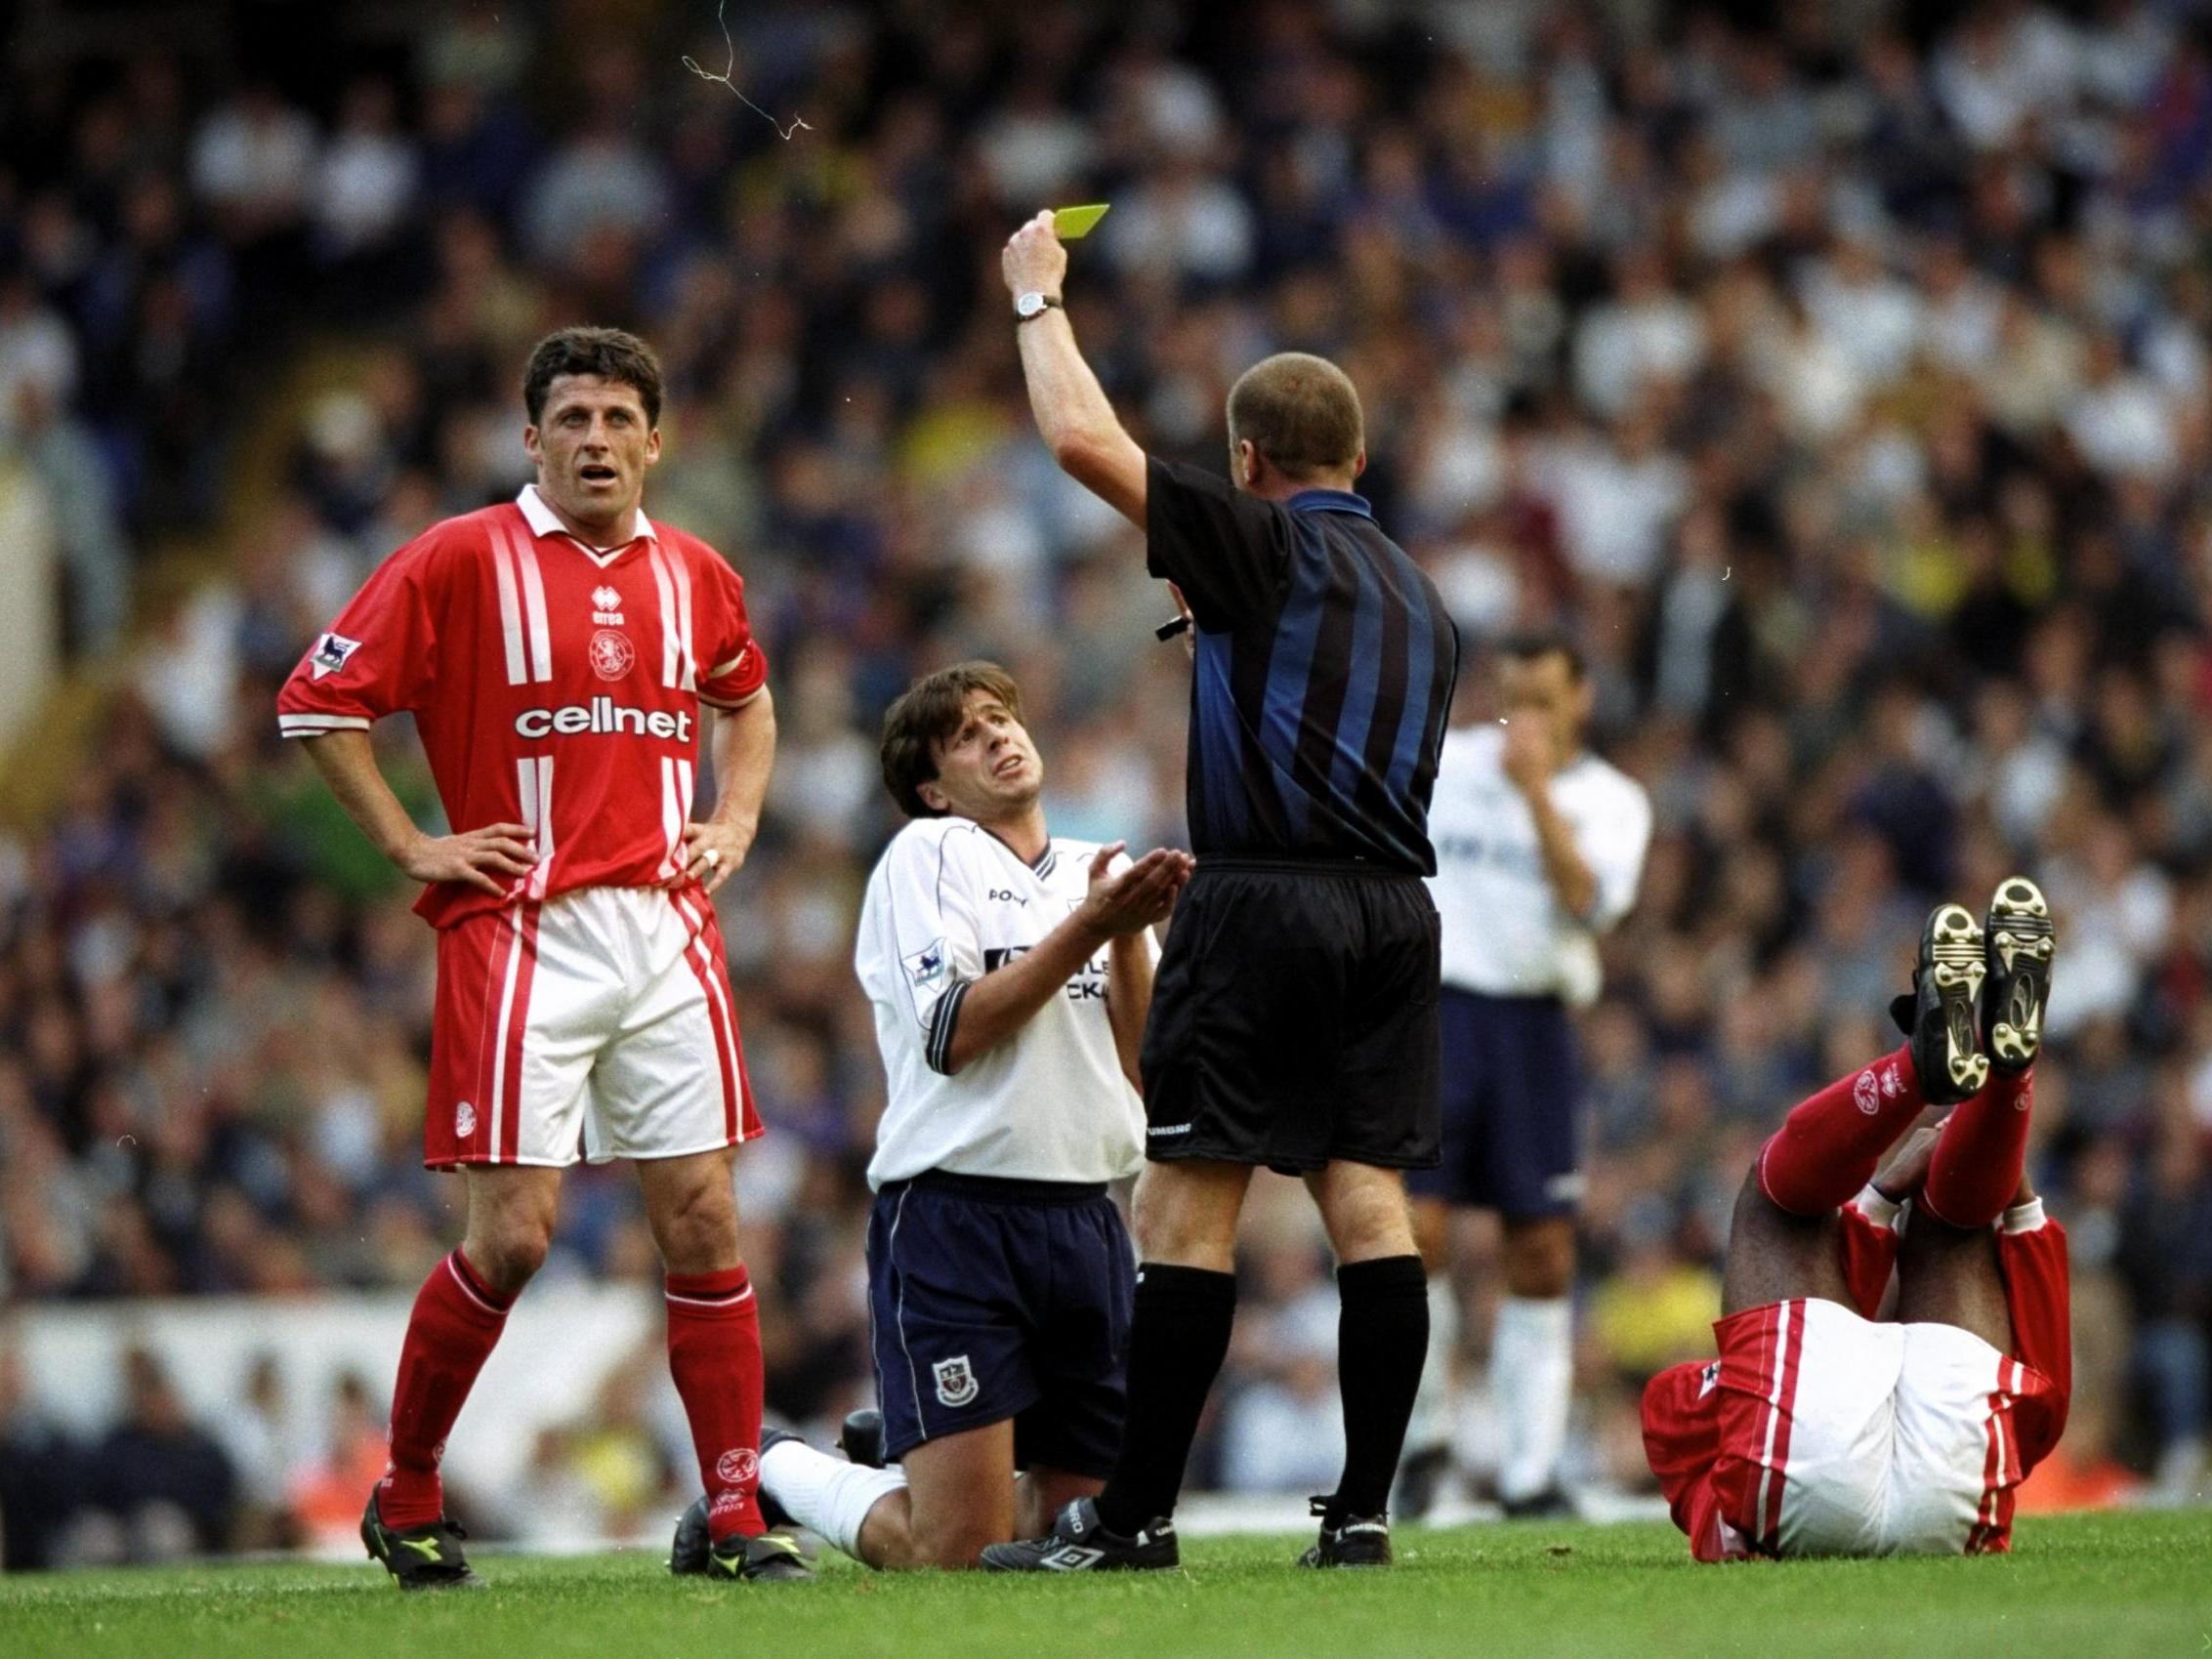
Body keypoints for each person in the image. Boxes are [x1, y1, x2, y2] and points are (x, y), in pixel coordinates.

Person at [277, 325, 806, 1586]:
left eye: (620, 420)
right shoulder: (461, 557)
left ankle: (735, 1514)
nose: (596, 441)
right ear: (531, 439)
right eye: (571, 419)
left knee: (704, 1211)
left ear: (655, 442)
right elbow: (316, 700)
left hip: (663, 920)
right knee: (513, 1236)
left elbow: (749, 696)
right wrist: (412, 838)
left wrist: (733, 817)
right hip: (518, 925)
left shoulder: (696, 572)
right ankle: (404, 1487)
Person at [982, 212, 1460, 1572]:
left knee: (1185, 1205)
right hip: (1394, 911)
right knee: (1368, 1204)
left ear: (1251, 462)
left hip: (1261, 902)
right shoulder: (1426, 593)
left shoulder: (1259, 540)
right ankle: (1364, 1509)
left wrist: (1037, 302)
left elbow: (1082, 443)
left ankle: (1129, 1518)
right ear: (1359, 458)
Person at [671, 661, 1191, 1571]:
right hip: (957, 1218)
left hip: (1085, 1219)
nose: (996, 735)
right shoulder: (926, 855)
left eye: (1002, 717)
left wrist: (1121, 932)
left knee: (1073, 1540)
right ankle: (779, 1466)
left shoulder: (1090, 868)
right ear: (931, 787)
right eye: (964, 735)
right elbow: (952, 1031)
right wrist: (1088, 928)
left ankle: (914, 1447)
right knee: (955, 1553)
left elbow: (1147, 1067)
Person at [1644, 880, 2070, 1558]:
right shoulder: (1725, 1400)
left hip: (1892, 1489)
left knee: (1785, 1206)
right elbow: (2041, 1411)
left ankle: (1947, 1074)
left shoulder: (1682, 1414)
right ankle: (1992, 1074)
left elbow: (1764, 1381)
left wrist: (1883, 1201)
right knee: (1927, 1220)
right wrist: (2006, 1205)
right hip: (1947, 1482)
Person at [1401, 632, 1651, 1517]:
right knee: (1412, 1229)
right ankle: (1421, 1433)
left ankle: (1528, 1470)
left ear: (1580, 697)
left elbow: (1590, 902)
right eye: (1513, 697)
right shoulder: (1445, 763)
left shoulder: (1612, 801)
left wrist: (1536, 792)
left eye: (1543, 698)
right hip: (1436, 1011)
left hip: (1536, 1023)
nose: (1525, 718)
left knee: (1540, 1249)